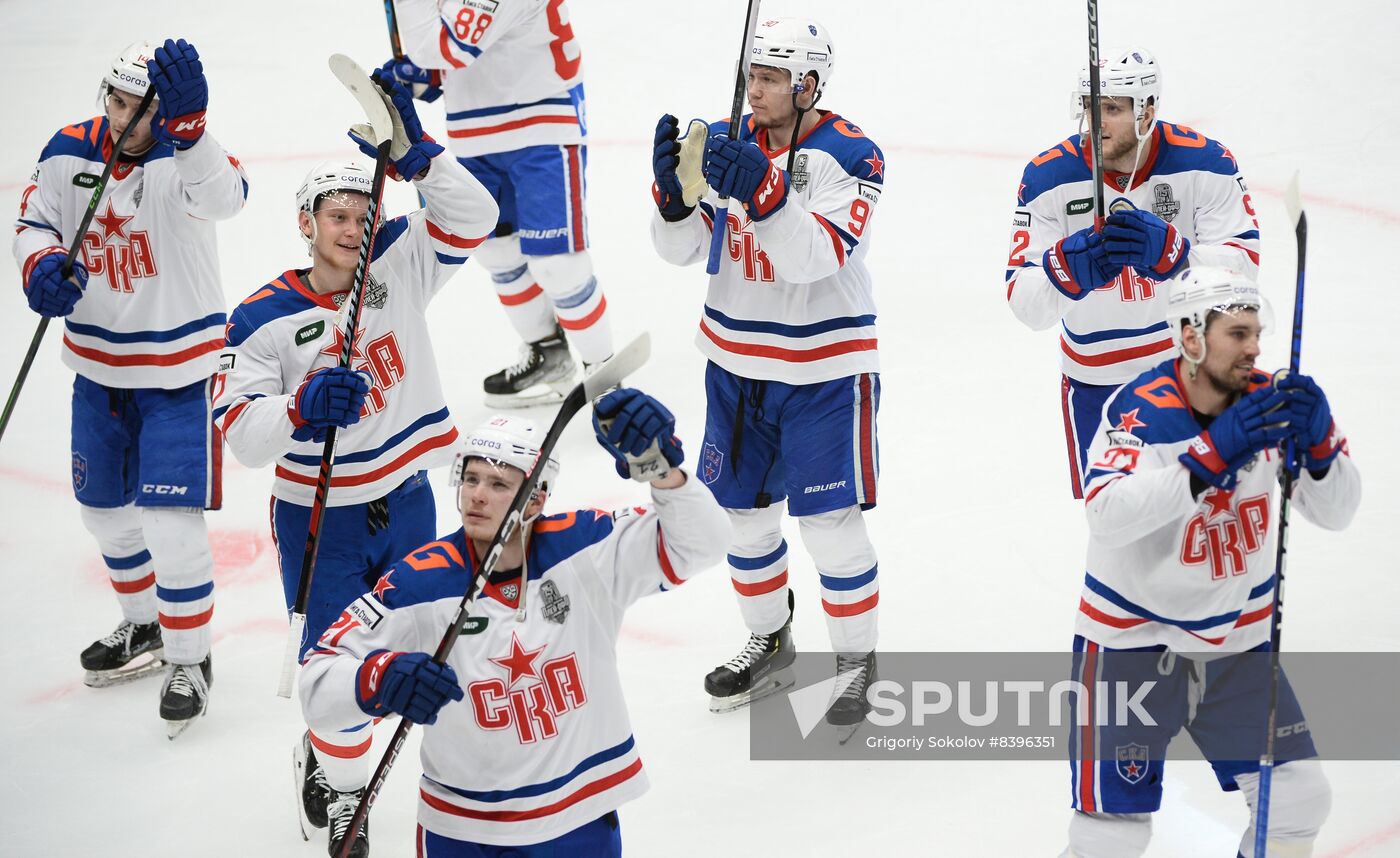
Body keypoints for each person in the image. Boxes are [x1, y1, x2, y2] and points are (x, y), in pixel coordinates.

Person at [212, 70, 497, 857]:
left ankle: (347, 767)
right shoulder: (263, 316)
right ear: (306, 223)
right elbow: (238, 431)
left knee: (408, 648)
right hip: (319, 519)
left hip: (406, 499)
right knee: (338, 673)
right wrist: (299, 411)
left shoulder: (399, 260)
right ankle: (343, 793)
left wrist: (415, 158)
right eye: (337, 215)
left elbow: (479, 214)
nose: (353, 227)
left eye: (363, 213)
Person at [299, 392, 728, 855]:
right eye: (470, 478)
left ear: (537, 497)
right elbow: (317, 681)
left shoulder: (586, 547)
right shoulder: (418, 584)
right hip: (463, 830)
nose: (477, 494)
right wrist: (378, 678)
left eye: (499, 484)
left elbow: (701, 545)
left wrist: (660, 469)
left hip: (578, 814)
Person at [1061, 267, 1359, 858]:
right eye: (1239, 334)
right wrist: (1207, 458)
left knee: (1298, 798)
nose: (1255, 348)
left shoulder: (1270, 404)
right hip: (1133, 641)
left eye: (1256, 334)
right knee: (1111, 836)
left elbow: (1337, 512)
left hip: (1235, 644)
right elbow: (1106, 512)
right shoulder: (1139, 409)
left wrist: (1322, 446)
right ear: (1192, 338)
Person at [649, 17, 886, 724]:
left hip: (823, 369)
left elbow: (817, 258)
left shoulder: (851, 155)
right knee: (744, 524)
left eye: (772, 77)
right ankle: (770, 640)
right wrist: (674, 201)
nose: (756, 88)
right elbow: (684, 250)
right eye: (753, 73)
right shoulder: (727, 141)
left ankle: (855, 664)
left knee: (830, 526)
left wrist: (767, 195)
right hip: (735, 364)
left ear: (809, 85)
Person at [12, 39, 247, 736]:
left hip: (179, 374)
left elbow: (227, 198)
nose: (121, 119)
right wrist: (41, 264)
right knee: (104, 512)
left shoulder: (188, 157)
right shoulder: (68, 149)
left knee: (172, 527)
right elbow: (33, 220)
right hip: (97, 370)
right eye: (112, 102)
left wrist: (193, 128)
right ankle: (144, 626)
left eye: (136, 108)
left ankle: (189, 656)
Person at [1004, 48, 1263, 498]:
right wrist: (1065, 271)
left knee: (1208, 511)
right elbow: (1025, 303)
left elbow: (1244, 271)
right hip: (1096, 386)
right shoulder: (1047, 177)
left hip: (1189, 373)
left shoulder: (1206, 161)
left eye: (1111, 109)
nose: (1096, 121)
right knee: (1117, 527)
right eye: (1090, 106)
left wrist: (1178, 258)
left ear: (1147, 111)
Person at [381, 0, 615, 407]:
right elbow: (444, 64)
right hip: (473, 133)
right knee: (496, 253)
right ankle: (549, 356)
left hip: (540, 125)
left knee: (558, 264)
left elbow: (452, 45)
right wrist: (408, 79)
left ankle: (606, 377)